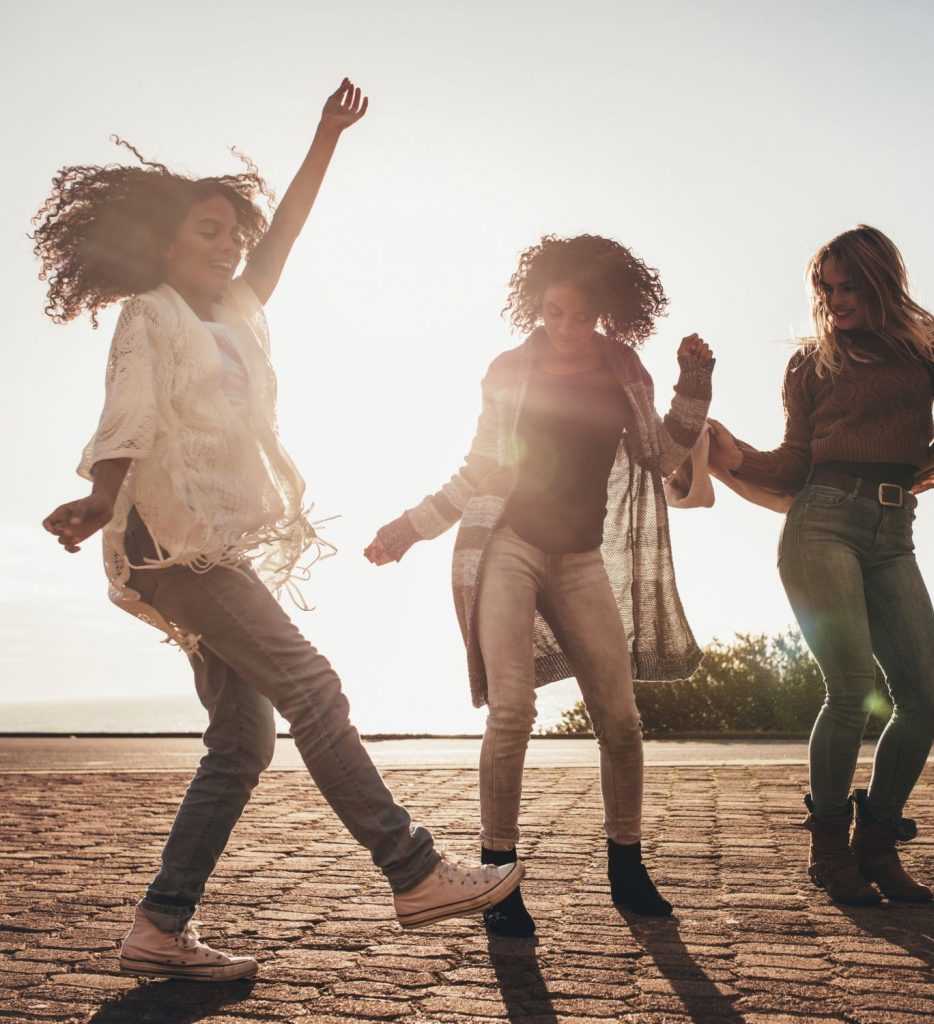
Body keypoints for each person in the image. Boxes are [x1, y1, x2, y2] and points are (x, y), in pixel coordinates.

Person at [35, 78, 523, 981]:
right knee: (314, 687)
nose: (226, 246)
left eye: (233, 233)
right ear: (164, 241)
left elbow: (286, 231)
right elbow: (128, 411)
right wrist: (103, 496)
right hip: (174, 547)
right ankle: (411, 871)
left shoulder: (237, 311)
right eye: (205, 230)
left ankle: (159, 928)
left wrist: (325, 137)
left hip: (213, 545)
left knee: (244, 742)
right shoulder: (154, 312)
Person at [365, 234, 713, 936]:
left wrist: (693, 389)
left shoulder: (626, 371)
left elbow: (661, 455)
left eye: (579, 316)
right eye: (552, 312)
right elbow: (479, 469)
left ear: (605, 313)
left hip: (581, 559)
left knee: (620, 718)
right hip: (510, 548)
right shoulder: (508, 370)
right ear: (537, 304)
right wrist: (409, 528)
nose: (563, 328)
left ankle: (627, 864)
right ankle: (499, 876)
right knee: (513, 710)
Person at [706, 225, 934, 906]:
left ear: (881, 280)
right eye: (828, 287)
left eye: (849, 285)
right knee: (850, 690)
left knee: (926, 698)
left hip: (893, 531)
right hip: (822, 523)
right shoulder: (812, 363)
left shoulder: (923, 345)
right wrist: (737, 458)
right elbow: (794, 462)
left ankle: (876, 844)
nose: (837, 298)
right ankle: (828, 849)